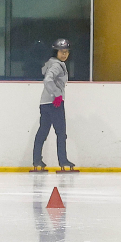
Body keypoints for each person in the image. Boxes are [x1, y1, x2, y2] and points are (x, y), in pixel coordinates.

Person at [33, 38, 78, 173]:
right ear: (56, 52)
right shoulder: (57, 65)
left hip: (45, 103)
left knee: (43, 132)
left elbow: (46, 77)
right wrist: (57, 95)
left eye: (66, 52)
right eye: (61, 51)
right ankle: (63, 161)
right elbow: (48, 80)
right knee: (61, 133)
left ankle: (37, 160)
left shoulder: (50, 63)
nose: (64, 54)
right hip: (55, 103)